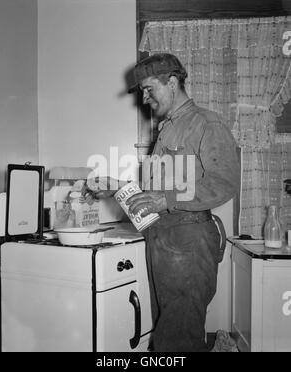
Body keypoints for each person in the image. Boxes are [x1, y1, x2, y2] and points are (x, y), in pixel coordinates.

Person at [87, 53, 240, 352]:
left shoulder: (206, 122)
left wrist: (165, 198)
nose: (145, 99)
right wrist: (117, 188)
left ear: (172, 82)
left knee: (177, 336)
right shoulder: (167, 128)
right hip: (164, 238)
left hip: (188, 240)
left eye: (148, 89)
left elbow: (223, 183)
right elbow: (157, 194)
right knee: (170, 325)